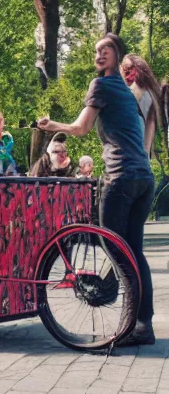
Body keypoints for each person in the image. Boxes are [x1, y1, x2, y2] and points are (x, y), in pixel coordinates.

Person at [37, 33, 155, 346]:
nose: (98, 54)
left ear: (118, 54)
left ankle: (129, 327)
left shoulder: (100, 84)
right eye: (96, 50)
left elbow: (81, 128)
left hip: (122, 177)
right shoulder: (128, 92)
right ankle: (144, 325)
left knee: (117, 252)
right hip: (144, 178)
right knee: (134, 254)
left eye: (105, 49)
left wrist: (51, 127)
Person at [121, 54, 161, 155]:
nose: (126, 73)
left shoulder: (139, 90)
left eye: (128, 69)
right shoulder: (152, 92)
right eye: (124, 70)